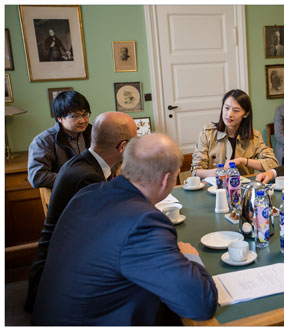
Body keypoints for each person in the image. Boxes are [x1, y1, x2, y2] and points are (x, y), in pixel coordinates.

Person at [31, 133, 218, 325]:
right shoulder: (143, 223)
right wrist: (191, 257)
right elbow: (200, 304)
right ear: (166, 179)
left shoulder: (87, 193)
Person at [24, 112, 138, 313]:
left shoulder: (86, 163)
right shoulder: (88, 178)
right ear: (122, 147)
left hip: (64, 259)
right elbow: (108, 236)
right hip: (59, 281)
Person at [191, 89, 278, 178]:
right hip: (214, 188)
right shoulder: (207, 133)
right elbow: (196, 170)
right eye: (227, 108)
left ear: (246, 114)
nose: (229, 114)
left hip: (241, 188)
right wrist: (220, 172)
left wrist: (243, 161)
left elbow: (272, 164)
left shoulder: (254, 136)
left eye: (236, 110)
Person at [28, 91, 92, 189]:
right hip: (65, 195)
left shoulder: (94, 132)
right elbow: (37, 177)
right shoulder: (44, 140)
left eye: (85, 114)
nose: (82, 120)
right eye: (75, 116)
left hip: (93, 190)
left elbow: (111, 154)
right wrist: (75, 180)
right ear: (60, 118)